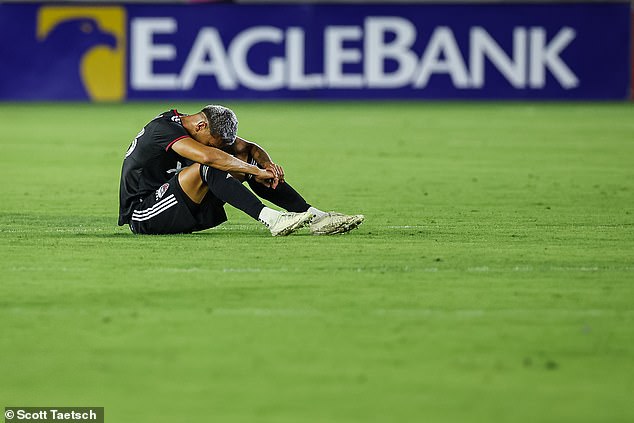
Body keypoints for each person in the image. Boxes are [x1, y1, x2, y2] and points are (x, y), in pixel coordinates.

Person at [118, 105, 364, 236]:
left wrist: (265, 165)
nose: (219, 146)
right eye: (216, 141)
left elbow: (248, 148)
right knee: (210, 165)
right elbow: (208, 156)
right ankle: (272, 219)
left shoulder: (197, 127)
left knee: (241, 159)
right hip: (145, 213)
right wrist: (254, 172)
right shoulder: (162, 130)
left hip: (180, 203)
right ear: (202, 125)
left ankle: (315, 216)